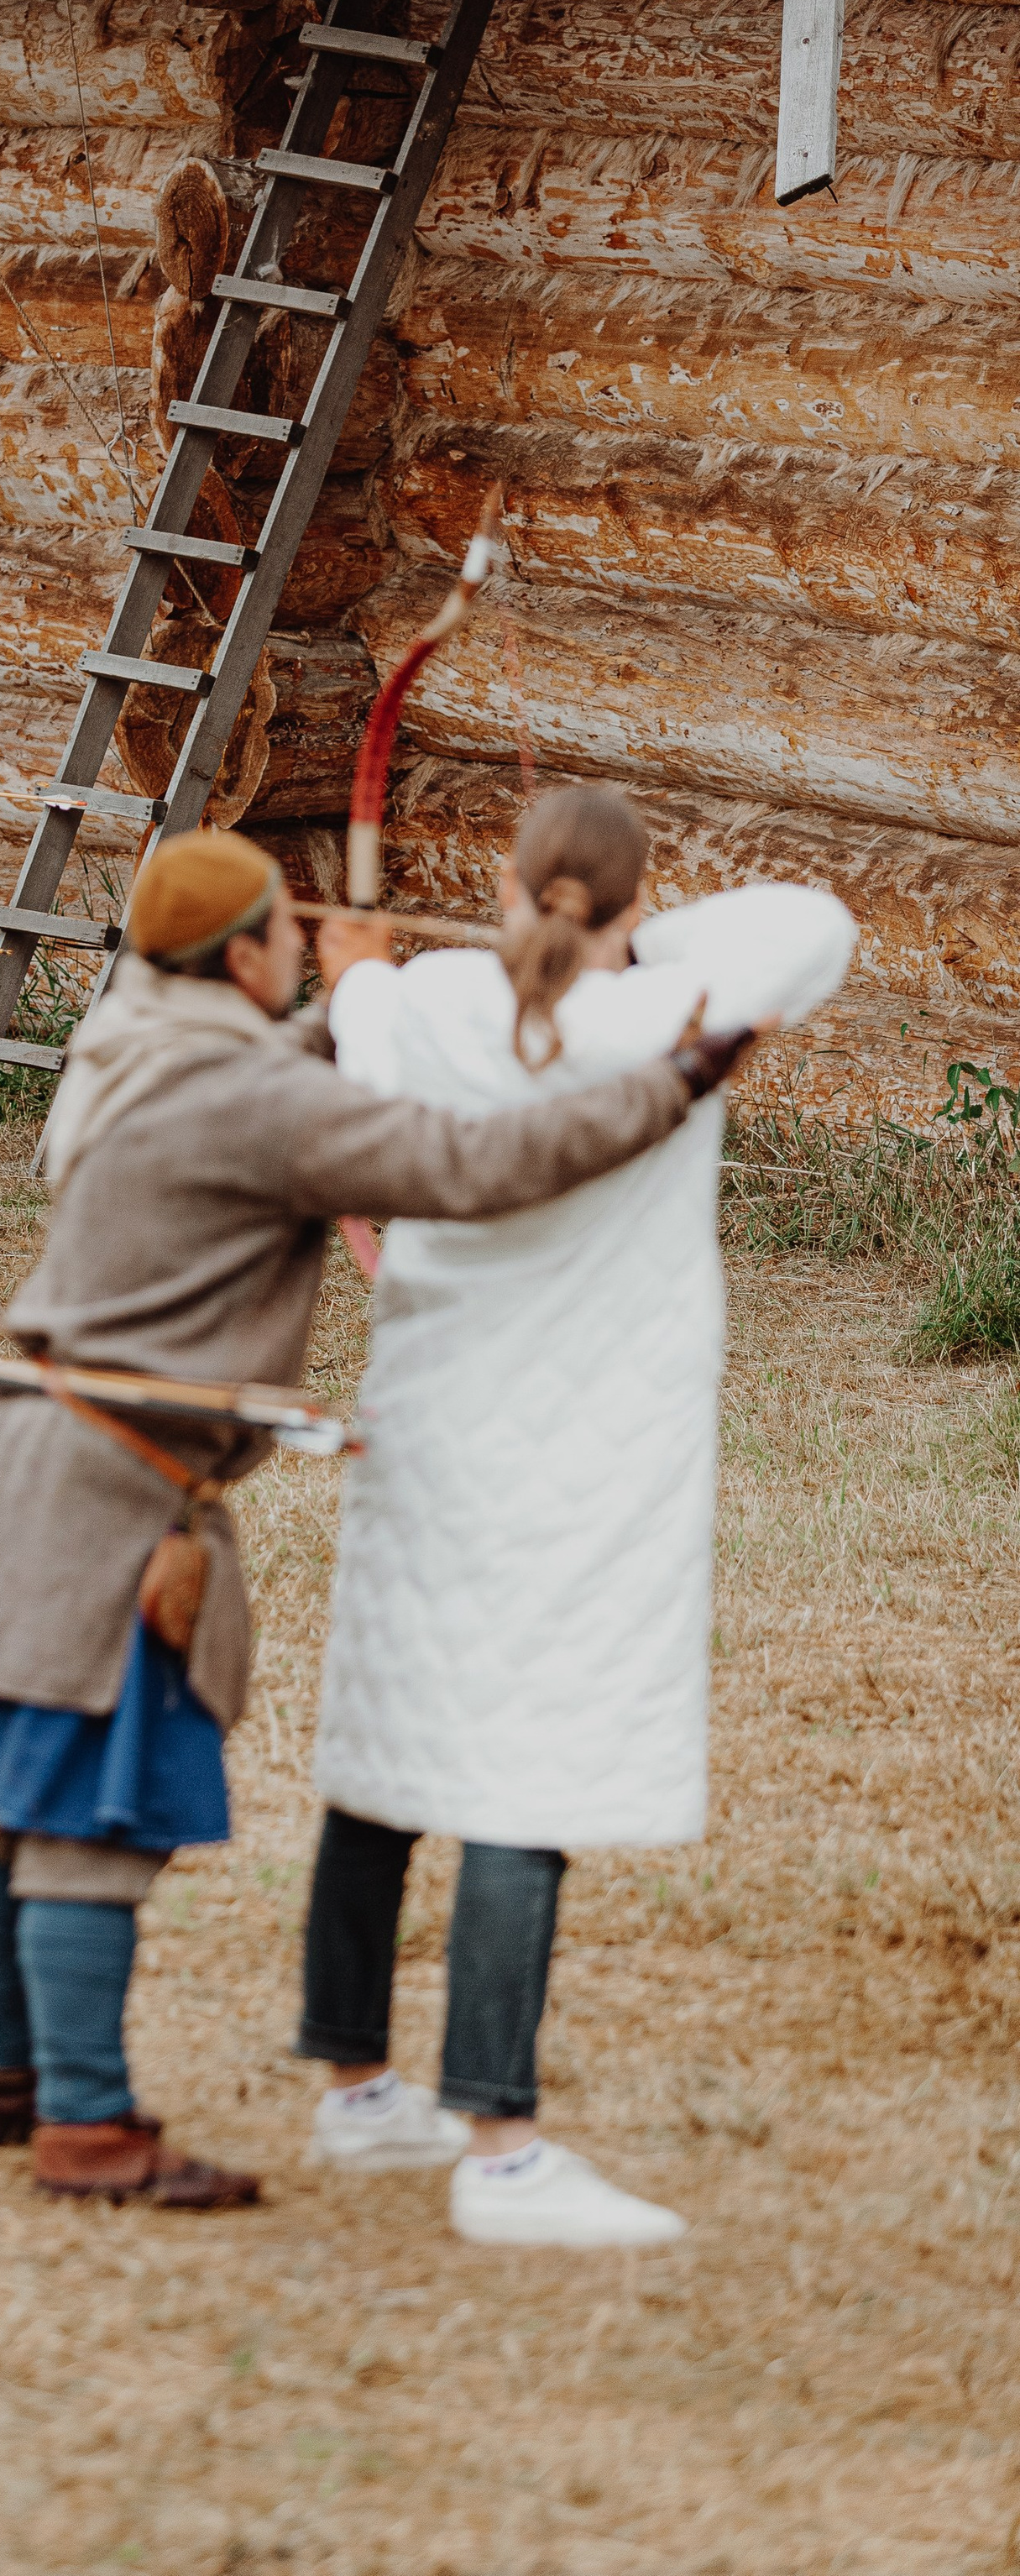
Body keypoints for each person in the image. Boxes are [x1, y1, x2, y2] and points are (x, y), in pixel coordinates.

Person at [0, 825, 764, 2212]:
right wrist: (674, 1080)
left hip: (29, 1463)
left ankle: (4, 2080)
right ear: (243, 955)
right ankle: (86, 2129)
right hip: (105, 1495)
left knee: (16, 1803)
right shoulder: (252, 1098)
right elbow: (470, 1163)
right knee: (82, 1824)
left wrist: (364, 1004)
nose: (303, 945)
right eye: (285, 931)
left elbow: (288, 1081)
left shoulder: (143, 1043)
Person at [301, 784, 855, 2249]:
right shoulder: (670, 1016)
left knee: (395, 1727)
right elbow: (814, 923)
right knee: (532, 1760)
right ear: (631, 902)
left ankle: (357, 2088)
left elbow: (368, 1019)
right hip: (593, 1440)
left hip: (435, 1411)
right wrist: (620, 943)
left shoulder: (426, 1002)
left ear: (509, 885)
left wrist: (371, 968)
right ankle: (501, 2153)